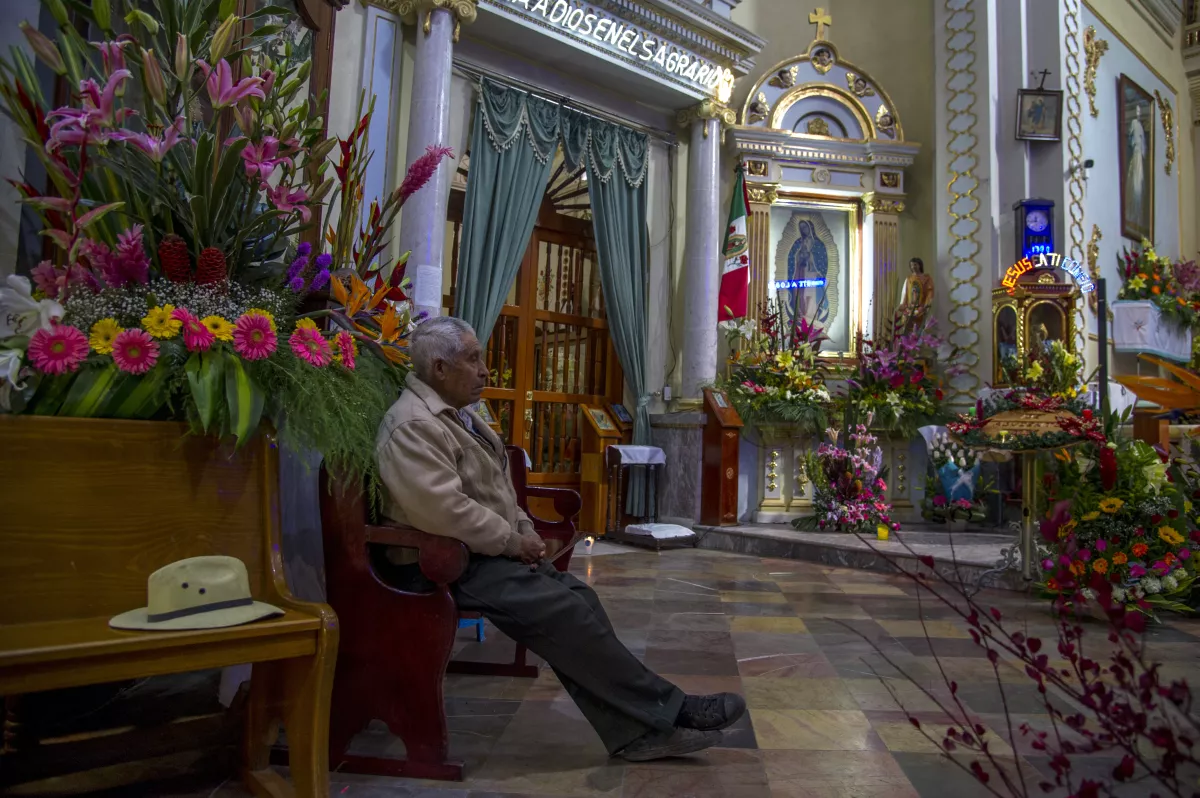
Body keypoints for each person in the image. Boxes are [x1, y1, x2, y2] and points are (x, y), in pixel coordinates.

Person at [375, 315, 746, 762]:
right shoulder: (414, 424)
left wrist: (525, 528)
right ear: (438, 368)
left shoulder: (455, 417)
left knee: (580, 599)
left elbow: (494, 489)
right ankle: (671, 709)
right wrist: (512, 543)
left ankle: (634, 733)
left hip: (475, 553)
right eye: (473, 359)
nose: (484, 370)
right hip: (440, 562)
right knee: (563, 611)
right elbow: (445, 511)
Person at [895, 257, 934, 336]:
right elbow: (905, 293)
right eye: (911, 265)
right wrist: (903, 304)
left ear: (920, 265)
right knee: (907, 330)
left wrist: (926, 305)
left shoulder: (927, 279)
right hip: (909, 308)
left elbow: (930, 293)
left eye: (915, 265)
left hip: (921, 309)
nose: (913, 267)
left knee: (919, 332)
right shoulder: (909, 279)